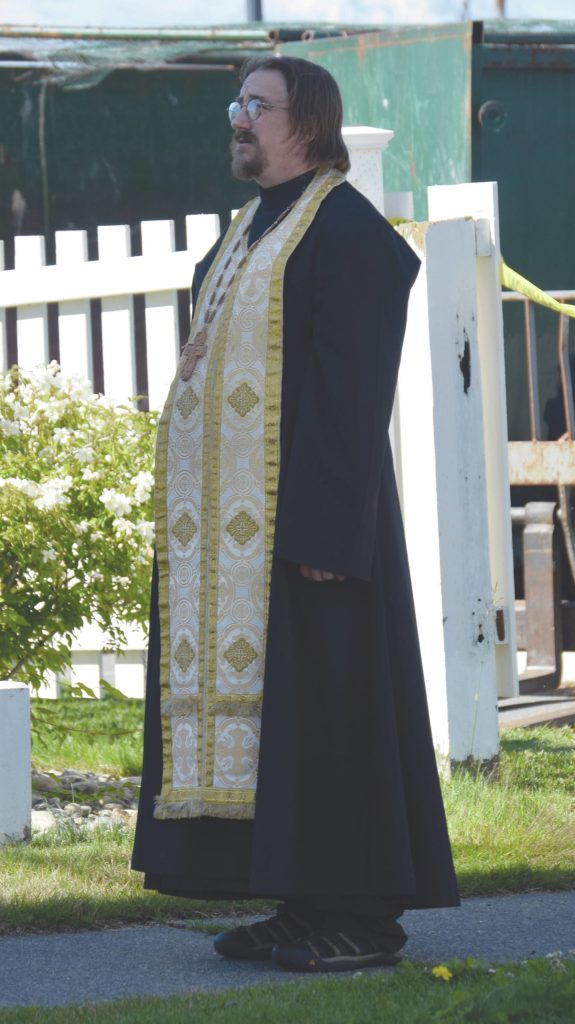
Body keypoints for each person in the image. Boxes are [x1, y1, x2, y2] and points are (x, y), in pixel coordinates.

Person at [132, 55, 459, 973]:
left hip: (314, 529)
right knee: (292, 722)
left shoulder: (344, 228)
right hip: (239, 543)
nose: (238, 119)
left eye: (257, 106)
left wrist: (324, 529)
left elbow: (350, 391)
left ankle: (363, 916)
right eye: (236, 103)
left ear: (307, 122)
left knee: (337, 713)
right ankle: (305, 901)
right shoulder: (250, 227)